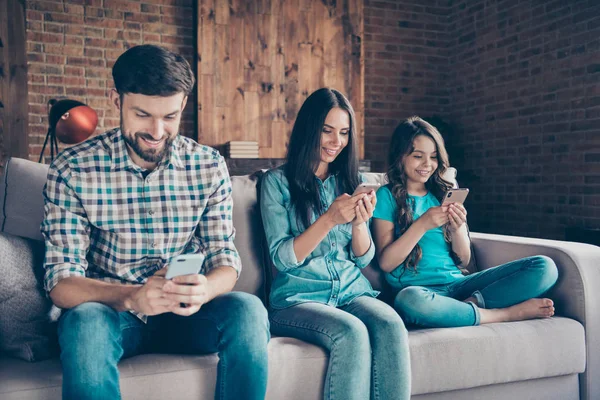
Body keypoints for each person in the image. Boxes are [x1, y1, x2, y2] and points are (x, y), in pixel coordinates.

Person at [41, 44, 269, 400]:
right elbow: (61, 283)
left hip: (186, 316)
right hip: (111, 315)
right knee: (83, 324)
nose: (157, 131)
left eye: (170, 117)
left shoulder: (208, 166)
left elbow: (225, 259)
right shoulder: (72, 168)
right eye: (143, 114)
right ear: (117, 100)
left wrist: (204, 290)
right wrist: (134, 297)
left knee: (248, 310)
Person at [260, 88, 411, 400]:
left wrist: (358, 223)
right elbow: (282, 258)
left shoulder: (350, 182)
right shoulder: (276, 183)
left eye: (343, 133)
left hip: (351, 290)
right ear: (309, 129)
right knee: (351, 332)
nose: (335, 142)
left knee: (390, 324)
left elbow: (363, 258)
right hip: (298, 298)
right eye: (326, 131)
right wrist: (328, 219)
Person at [371, 116, 559, 328]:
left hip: (459, 285)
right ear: (400, 157)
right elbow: (386, 263)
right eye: (417, 156)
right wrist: (422, 224)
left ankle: (469, 306)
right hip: (419, 291)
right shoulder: (386, 197)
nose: (427, 164)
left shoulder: (441, 193)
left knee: (545, 267)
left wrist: (458, 227)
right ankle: (505, 314)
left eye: (433, 157)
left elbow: (463, 261)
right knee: (409, 301)